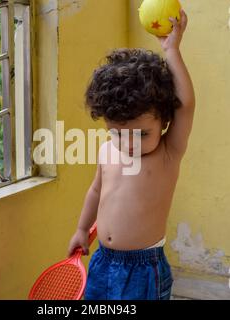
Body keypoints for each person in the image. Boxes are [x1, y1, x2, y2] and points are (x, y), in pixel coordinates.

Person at [67, 9, 195, 300]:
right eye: (118, 133)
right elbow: (96, 191)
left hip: (143, 269)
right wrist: (81, 228)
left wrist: (171, 49)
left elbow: (185, 105)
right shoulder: (107, 150)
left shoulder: (168, 153)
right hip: (102, 260)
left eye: (141, 134)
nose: (129, 144)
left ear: (163, 122)